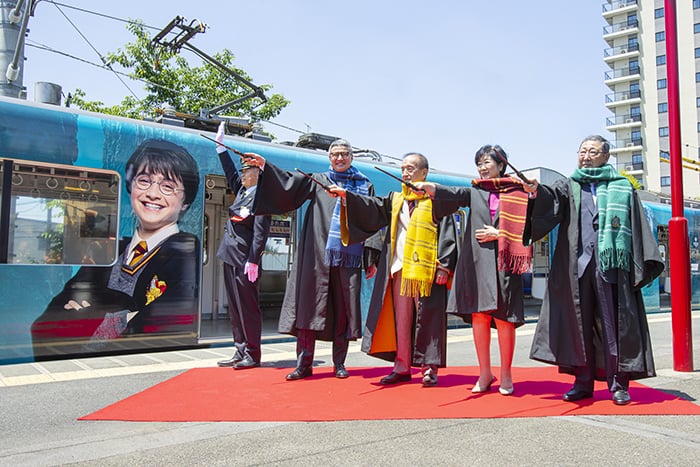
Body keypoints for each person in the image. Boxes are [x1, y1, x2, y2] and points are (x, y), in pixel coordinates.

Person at [522, 135, 663, 405]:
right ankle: (582, 383)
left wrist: (638, 267)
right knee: (579, 325)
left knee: (615, 326)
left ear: (606, 157)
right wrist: (536, 191)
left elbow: (636, 228)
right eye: (583, 151)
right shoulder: (569, 185)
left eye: (593, 152)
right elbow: (550, 200)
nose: (586, 156)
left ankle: (618, 384)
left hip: (612, 268)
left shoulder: (622, 187)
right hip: (577, 268)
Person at [32, 140, 201, 357]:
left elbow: (161, 326)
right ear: (131, 188)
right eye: (144, 181)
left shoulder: (185, 251)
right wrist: (121, 317)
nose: (153, 193)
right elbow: (44, 323)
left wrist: (92, 316)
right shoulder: (111, 250)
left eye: (167, 186)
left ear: (185, 201)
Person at [245, 139, 381, 380]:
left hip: (347, 260)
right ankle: (303, 364)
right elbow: (288, 183)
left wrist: (371, 258)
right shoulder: (319, 181)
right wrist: (265, 165)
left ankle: (339, 363)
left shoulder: (364, 185)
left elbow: (372, 218)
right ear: (329, 158)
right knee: (308, 309)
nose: (340, 158)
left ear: (352, 157)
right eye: (335, 154)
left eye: (344, 154)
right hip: (315, 256)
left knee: (342, 312)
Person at [330, 152, 458, 387]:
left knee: (428, 319)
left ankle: (430, 368)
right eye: (403, 168)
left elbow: (449, 234)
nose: (405, 172)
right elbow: (372, 208)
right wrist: (347, 196)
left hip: (426, 271)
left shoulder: (436, 199)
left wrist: (445, 266)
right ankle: (401, 365)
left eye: (411, 168)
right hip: (399, 268)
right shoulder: (396, 199)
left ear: (424, 173)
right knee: (401, 319)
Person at [413, 145, 531, 395]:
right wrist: (430, 188)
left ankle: (507, 374)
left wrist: (500, 234)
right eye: (479, 163)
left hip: (505, 261)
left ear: (502, 165)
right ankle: (485, 373)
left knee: (504, 319)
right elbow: (456, 194)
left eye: (487, 162)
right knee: (479, 316)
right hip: (477, 260)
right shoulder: (477, 189)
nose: (482, 167)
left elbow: (530, 226)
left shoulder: (519, 191)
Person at [213, 122, 271, 370]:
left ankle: (253, 353)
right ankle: (240, 349)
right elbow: (230, 175)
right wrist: (221, 150)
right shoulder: (243, 192)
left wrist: (254, 259)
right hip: (230, 256)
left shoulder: (262, 196)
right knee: (235, 308)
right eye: (243, 172)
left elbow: (261, 231)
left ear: (257, 172)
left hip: (245, 260)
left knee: (248, 308)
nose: (243, 175)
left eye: (247, 171)